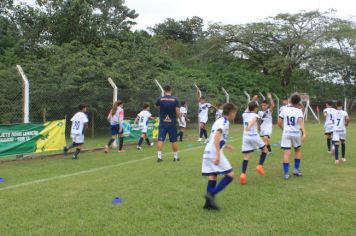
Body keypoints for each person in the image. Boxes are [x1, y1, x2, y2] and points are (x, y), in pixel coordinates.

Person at [202, 103, 237, 211]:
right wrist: (218, 154)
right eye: (235, 113)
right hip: (214, 152)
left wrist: (226, 146)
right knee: (231, 175)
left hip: (207, 151)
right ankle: (211, 194)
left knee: (213, 175)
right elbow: (217, 136)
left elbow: (215, 138)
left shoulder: (218, 121)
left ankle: (208, 204)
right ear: (231, 113)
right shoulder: (224, 122)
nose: (235, 115)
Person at [239, 101, 269, 185]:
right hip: (254, 136)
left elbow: (248, 108)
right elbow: (253, 120)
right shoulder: (255, 115)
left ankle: (243, 175)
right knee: (265, 150)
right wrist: (249, 126)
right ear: (255, 108)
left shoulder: (244, 114)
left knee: (246, 156)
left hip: (245, 137)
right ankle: (260, 166)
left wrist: (253, 100)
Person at [278, 94, 306, 180]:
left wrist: (284, 129)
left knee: (287, 152)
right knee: (297, 150)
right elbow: (301, 122)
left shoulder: (284, 110)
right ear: (298, 102)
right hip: (296, 134)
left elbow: (279, 122)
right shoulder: (299, 111)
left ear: (290, 100)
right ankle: (296, 170)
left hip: (286, 133)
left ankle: (286, 173)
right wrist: (304, 133)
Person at [156, 85, 181, 162]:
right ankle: (176, 157)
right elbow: (177, 111)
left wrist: (163, 111)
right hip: (172, 122)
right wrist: (179, 116)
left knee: (161, 139)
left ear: (164, 90)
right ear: (171, 90)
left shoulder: (160, 99)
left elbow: (157, 106)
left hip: (163, 122)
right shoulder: (175, 99)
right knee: (174, 140)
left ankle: (159, 157)